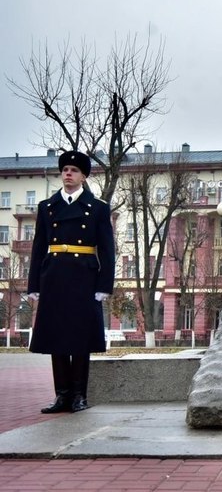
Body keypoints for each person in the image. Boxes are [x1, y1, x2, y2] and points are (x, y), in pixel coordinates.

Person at [27, 151, 115, 413]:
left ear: (84, 176)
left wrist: (103, 285)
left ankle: (79, 395)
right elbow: (39, 246)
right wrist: (34, 284)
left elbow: (107, 249)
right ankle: (62, 395)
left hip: (84, 277)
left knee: (79, 339)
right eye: (65, 169)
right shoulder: (47, 207)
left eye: (74, 170)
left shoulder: (98, 207)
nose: (68, 174)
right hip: (53, 276)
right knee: (56, 337)